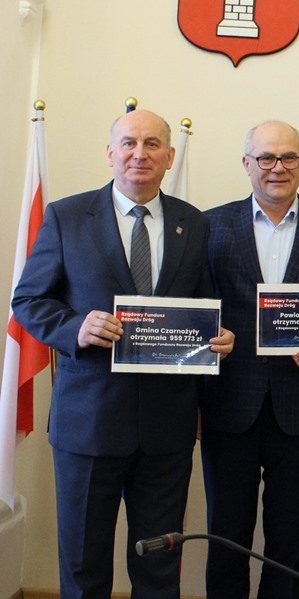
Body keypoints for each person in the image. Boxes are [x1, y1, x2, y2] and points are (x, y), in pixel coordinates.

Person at [11, 108, 235, 599]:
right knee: (84, 567)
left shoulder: (194, 224)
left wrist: (217, 338)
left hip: (167, 428)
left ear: (169, 156)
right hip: (88, 424)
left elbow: (202, 306)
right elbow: (27, 301)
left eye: (153, 144)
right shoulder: (67, 217)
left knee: (159, 568)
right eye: (129, 143)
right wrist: (76, 327)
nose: (140, 154)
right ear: (110, 153)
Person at [200, 120, 299, 599]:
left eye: (289, 157)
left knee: (290, 546)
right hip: (229, 406)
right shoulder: (209, 225)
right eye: (266, 157)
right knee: (227, 539)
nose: (277, 167)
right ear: (246, 163)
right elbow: (196, 304)